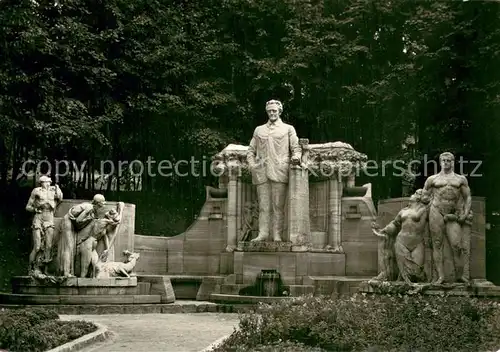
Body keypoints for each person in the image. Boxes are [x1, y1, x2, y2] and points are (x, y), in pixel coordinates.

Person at [247, 99, 301, 242]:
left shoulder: (288, 129)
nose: (272, 113)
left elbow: (296, 148)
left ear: (280, 111)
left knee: (278, 207)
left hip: (280, 171)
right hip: (261, 172)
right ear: (267, 112)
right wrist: (253, 165)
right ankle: (263, 233)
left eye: (274, 110)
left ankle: (277, 234)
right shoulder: (259, 130)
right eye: (270, 111)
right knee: (264, 206)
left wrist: (296, 157)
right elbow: (250, 151)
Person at [423, 152, 472, 284]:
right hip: (436, 211)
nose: (446, 162)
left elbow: (468, 197)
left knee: (457, 245)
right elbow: (424, 195)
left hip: (452, 214)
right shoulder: (432, 179)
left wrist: (465, 214)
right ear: (440, 162)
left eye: (448, 160)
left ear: (453, 162)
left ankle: (460, 275)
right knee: (437, 244)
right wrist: (426, 200)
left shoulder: (460, 179)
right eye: (443, 160)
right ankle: (440, 276)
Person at [372, 189, 430, 284]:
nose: (413, 194)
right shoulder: (403, 211)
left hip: (417, 242)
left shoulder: (425, 209)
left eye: (417, 193)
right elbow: (395, 223)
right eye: (415, 192)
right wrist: (383, 230)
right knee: (406, 274)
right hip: (402, 242)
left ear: (420, 198)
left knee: (417, 271)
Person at [57, 194, 106, 277]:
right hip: (68, 221)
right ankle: (65, 273)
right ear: (98, 204)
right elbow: (78, 220)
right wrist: (89, 219)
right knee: (68, 248)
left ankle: (68, 272)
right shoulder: (90, 207)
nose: (101, 207)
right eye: (101, 205)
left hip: (71, 222)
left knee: (70, 248)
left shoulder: (91, 208)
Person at [25, 175, 63, 275]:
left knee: (49, 246)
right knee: (37, 246)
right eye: (46, 182)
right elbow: (28, 207)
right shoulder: (36, 191)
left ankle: (45, 270)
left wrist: (57, 189)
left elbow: (60, 198)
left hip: (49, 217)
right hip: (39, 217)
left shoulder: (53, 190)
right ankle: (30, 268)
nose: (48, 184)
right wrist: (35, 209)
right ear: (41, 183)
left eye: (49, 182)